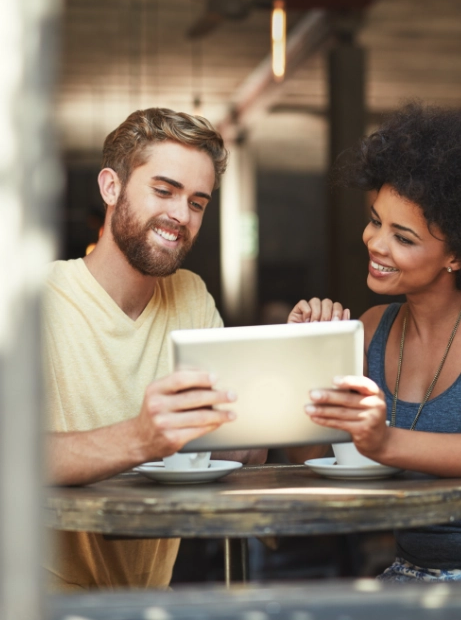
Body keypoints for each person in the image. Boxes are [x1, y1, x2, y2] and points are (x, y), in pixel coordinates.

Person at [43, 107, 265, 591]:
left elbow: (236, 453)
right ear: (111, 187)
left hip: (147, 599)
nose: (180, 216)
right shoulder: (31, 298)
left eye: (198, 202)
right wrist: (142, 438)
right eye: (163, 191)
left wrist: (271, 394)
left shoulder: (191, 296)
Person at [289, 103, 461, 581]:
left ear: (455, 256)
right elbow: (313, 460)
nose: (375, 243)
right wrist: (310, 358)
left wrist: (384, 441)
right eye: (375, 220)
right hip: (410, 575)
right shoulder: (372, 328)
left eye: (402, 237)